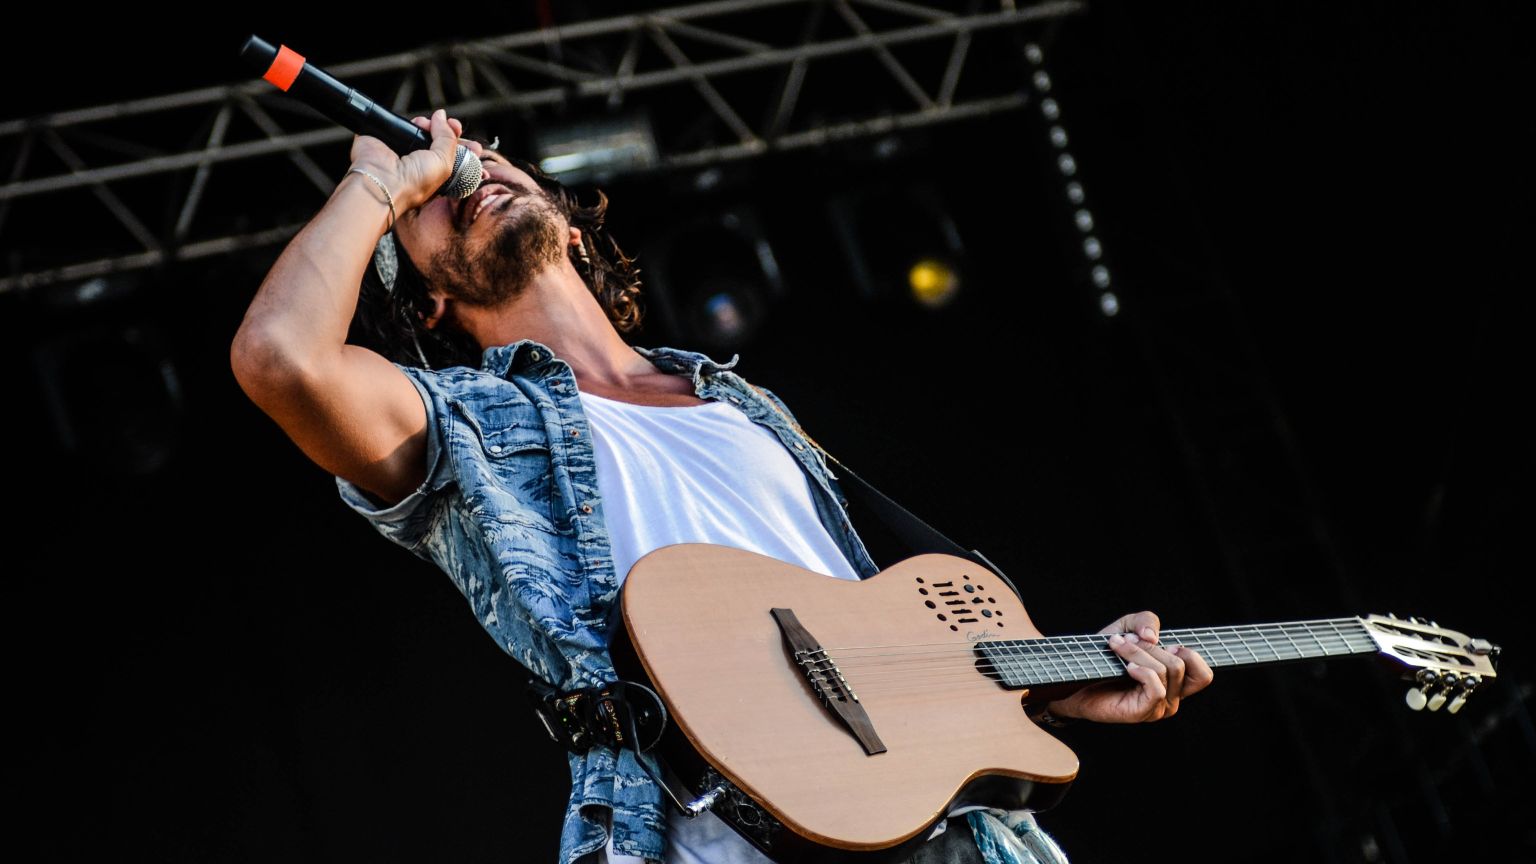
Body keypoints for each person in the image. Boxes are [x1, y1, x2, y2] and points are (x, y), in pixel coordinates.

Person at [230, 109, 1214, 864]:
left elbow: (876, 633)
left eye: (484, 159)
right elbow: (279, 357)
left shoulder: (738, 401)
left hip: (945, 832)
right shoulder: (464, 425)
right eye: (428, 206)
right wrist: (375, 184)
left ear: (570, 227)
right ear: (431, 294)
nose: (464, 175)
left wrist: (1054, 685)